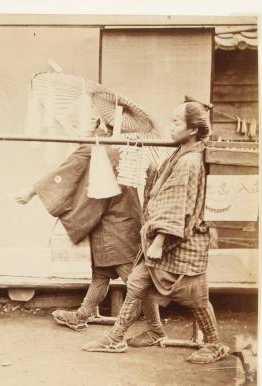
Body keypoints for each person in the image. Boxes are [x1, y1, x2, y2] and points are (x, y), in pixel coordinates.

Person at [82, 102, 230, 364]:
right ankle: (120, 338)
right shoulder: (180, 152)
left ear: (193, 129)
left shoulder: (190, 160)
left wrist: (159, 241)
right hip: (164, 238)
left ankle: (215, 343)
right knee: (137, 283)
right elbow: (162, 186)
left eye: (176, 122)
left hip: (180, 241)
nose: (170, 126)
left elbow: (176, 204)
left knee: (197, 297)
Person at [16, 127, 165, 348]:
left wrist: (32, 191)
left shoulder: (95, 149)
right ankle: (82, 315)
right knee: (101, 274)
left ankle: (156, 329)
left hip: (118, 225)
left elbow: (66, 172)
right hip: (120, 218)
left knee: (135, 282)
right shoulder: (123, 148)